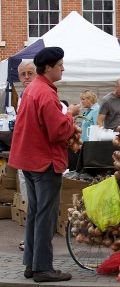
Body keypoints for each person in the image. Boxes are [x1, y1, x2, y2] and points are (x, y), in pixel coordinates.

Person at [8, 47, 80, 282]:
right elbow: (58, 132)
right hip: (44, 162)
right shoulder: (46, 93)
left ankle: (31, 264)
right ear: (48, 67)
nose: (63, 68)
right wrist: (70, 114)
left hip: (29, 160)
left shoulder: (31, 89)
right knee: (45, 216)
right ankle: (42, 269)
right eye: (60, 65)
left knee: (36, 213)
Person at [16, 61, 37, 252]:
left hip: (37, 158)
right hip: (26, 156)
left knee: (36, 203)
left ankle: (33, 243)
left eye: (30, 73)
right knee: (30, 202)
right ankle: (30, 241)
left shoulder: (40, 93)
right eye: (23, 74)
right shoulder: (22, 96)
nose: (27, 77)